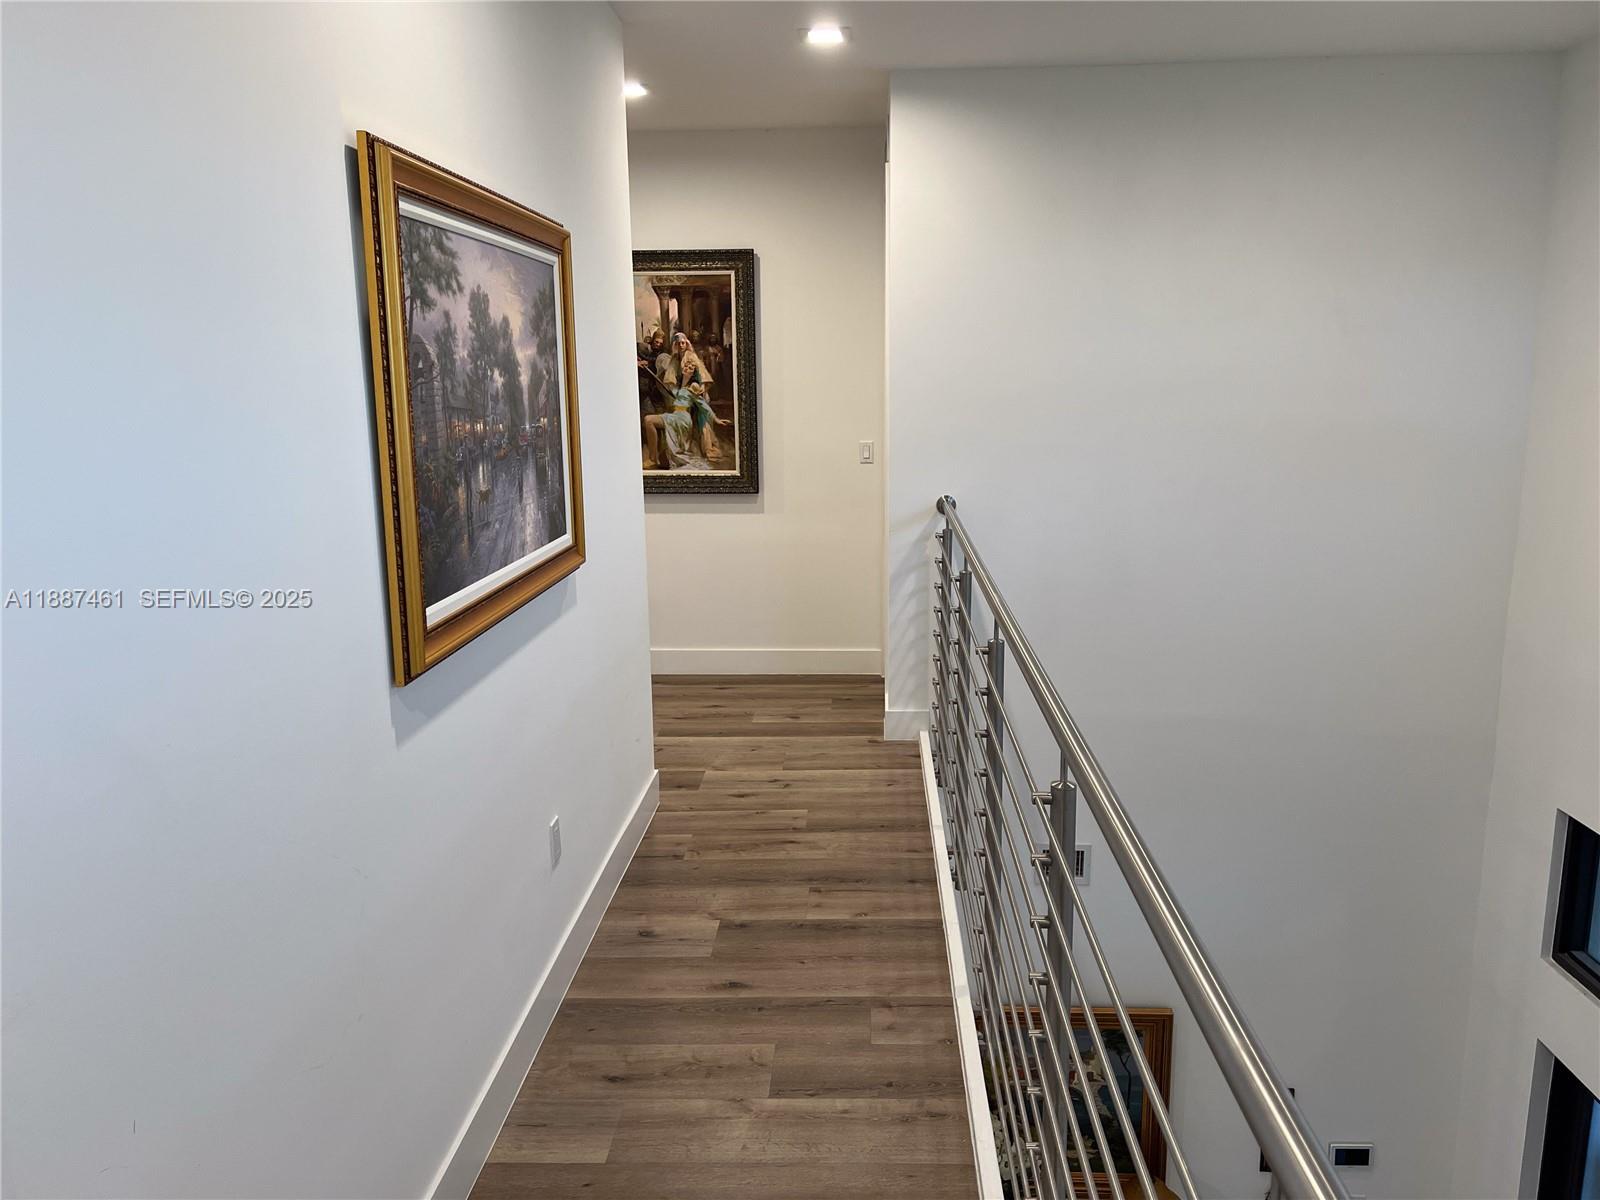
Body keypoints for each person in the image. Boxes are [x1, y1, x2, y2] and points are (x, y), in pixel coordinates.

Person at [642, 332, 731, 469]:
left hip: (685, 413)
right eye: (678, 343)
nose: (681, 345)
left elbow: (703, 400)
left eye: (683, 342)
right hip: (676, 407)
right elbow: (671, 383)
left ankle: (695, 448)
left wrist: (717, 419)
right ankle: (656, 457)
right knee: (650, 420)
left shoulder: (692, 382)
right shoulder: (675, 362)